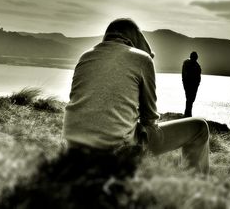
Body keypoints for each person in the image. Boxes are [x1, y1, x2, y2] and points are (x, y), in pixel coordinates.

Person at [63, 18, 209, 174]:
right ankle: (195, 187)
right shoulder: (142, 59)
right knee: (200, 127)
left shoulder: (85, 57)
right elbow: (149, 120)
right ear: (134, 39)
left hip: (73, 149)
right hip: (116, 153)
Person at [182, 51, 201, 117]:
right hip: (188, 85)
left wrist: (197, 85)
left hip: (193, 86)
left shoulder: (197, 66)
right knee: (189, 99)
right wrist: (185, 84)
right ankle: (188, 113)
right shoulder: (186, 63)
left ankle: (188, 113)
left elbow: (199, 77)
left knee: (191, 99)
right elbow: (184, 75)